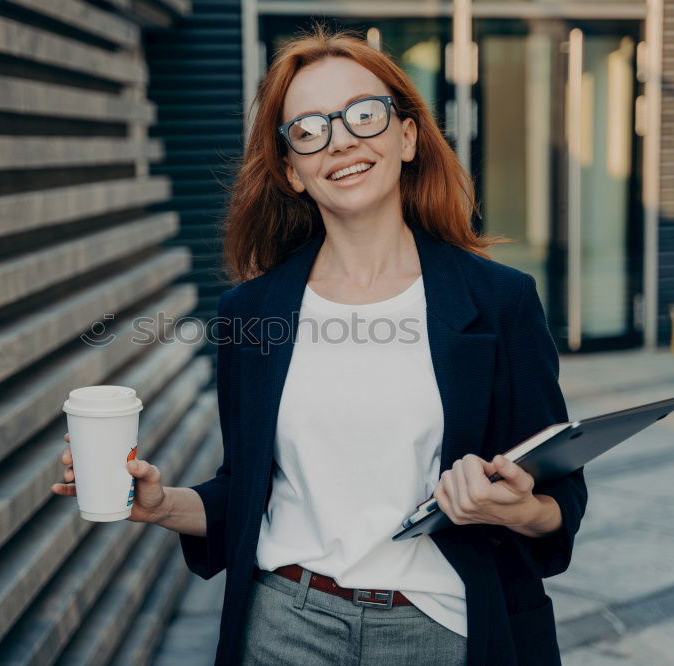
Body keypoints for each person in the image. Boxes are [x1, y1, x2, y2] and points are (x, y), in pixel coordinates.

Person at [52, 23, 586, 666]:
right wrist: (164, 505)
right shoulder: (252, 314)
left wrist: (519, 508)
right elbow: (250, 490)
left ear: (407, 136)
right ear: (292, 171)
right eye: (309, 129)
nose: (341, 142)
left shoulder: (500, 301)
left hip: (443, 629)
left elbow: (561, 501)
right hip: (283, 628)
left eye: (364, 114)